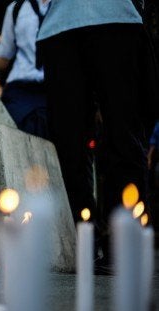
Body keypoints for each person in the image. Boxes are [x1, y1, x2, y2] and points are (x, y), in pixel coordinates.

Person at [37, 0, 158, 269]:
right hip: (61, 25)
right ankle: (82, 242)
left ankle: (124, 244)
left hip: (117, 18)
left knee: (123, 138)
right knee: (68, 147)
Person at [0, 0, 49, 139]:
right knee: (13, 138)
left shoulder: (65, 6)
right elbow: (4, 56)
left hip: (55, 86)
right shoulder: (16, 8)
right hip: (20, 89)